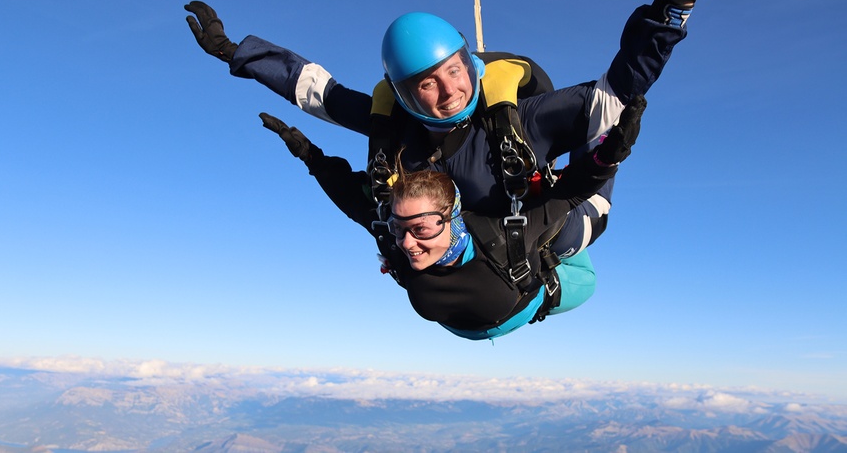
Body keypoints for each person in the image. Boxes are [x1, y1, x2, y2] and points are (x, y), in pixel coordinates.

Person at [184, 0, 723, 261]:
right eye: (426, 83)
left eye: (456, 69)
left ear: (470, 61)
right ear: (404, 94)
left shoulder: (521, 121)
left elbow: (623, 82)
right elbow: (315, 90)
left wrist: (673, 6)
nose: (450, 90)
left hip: (558, 210)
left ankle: (595, 187)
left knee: (585, 176)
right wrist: (237, 52)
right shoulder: (394, 128)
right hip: (471, 239)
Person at [256, 93, 646, 340]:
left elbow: (573, 191)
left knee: (579, 212)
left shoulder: (505, 237)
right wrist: (309, 155)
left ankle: (599, 127)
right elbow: (356, 204)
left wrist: (611, 151)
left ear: (452, 218)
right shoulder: (497, 242)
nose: (406, 243)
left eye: (419, 229)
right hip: (535, 292)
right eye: (399, 228)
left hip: (549, 277)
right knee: (566, 214)